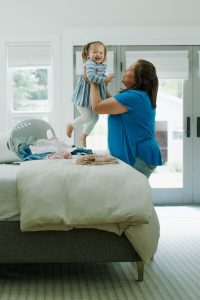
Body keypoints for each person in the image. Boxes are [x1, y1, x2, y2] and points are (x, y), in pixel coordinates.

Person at [89, 59, 163, 178]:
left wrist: (93, 80)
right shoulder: (138, 96)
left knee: (130, 195)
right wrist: (101, 84)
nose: (125, 70)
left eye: (130, 69)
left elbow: (97, 107)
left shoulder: (133, 97)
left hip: (138, 156)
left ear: (139, 78)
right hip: (142, 155)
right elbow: (113, 104)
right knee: (131, 194)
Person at [66, 41, 114, 147]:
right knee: (87, 117)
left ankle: (84, 135)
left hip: (92, 100)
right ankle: (71, 124)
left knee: (95, 118)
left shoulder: (101, 66)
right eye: (95, 52)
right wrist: (105, 79)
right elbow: (91, 78)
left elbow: (100, 84)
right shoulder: (90, 64)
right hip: (84, 98)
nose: (98, 55)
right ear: (88, 55)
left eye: (101, 53)